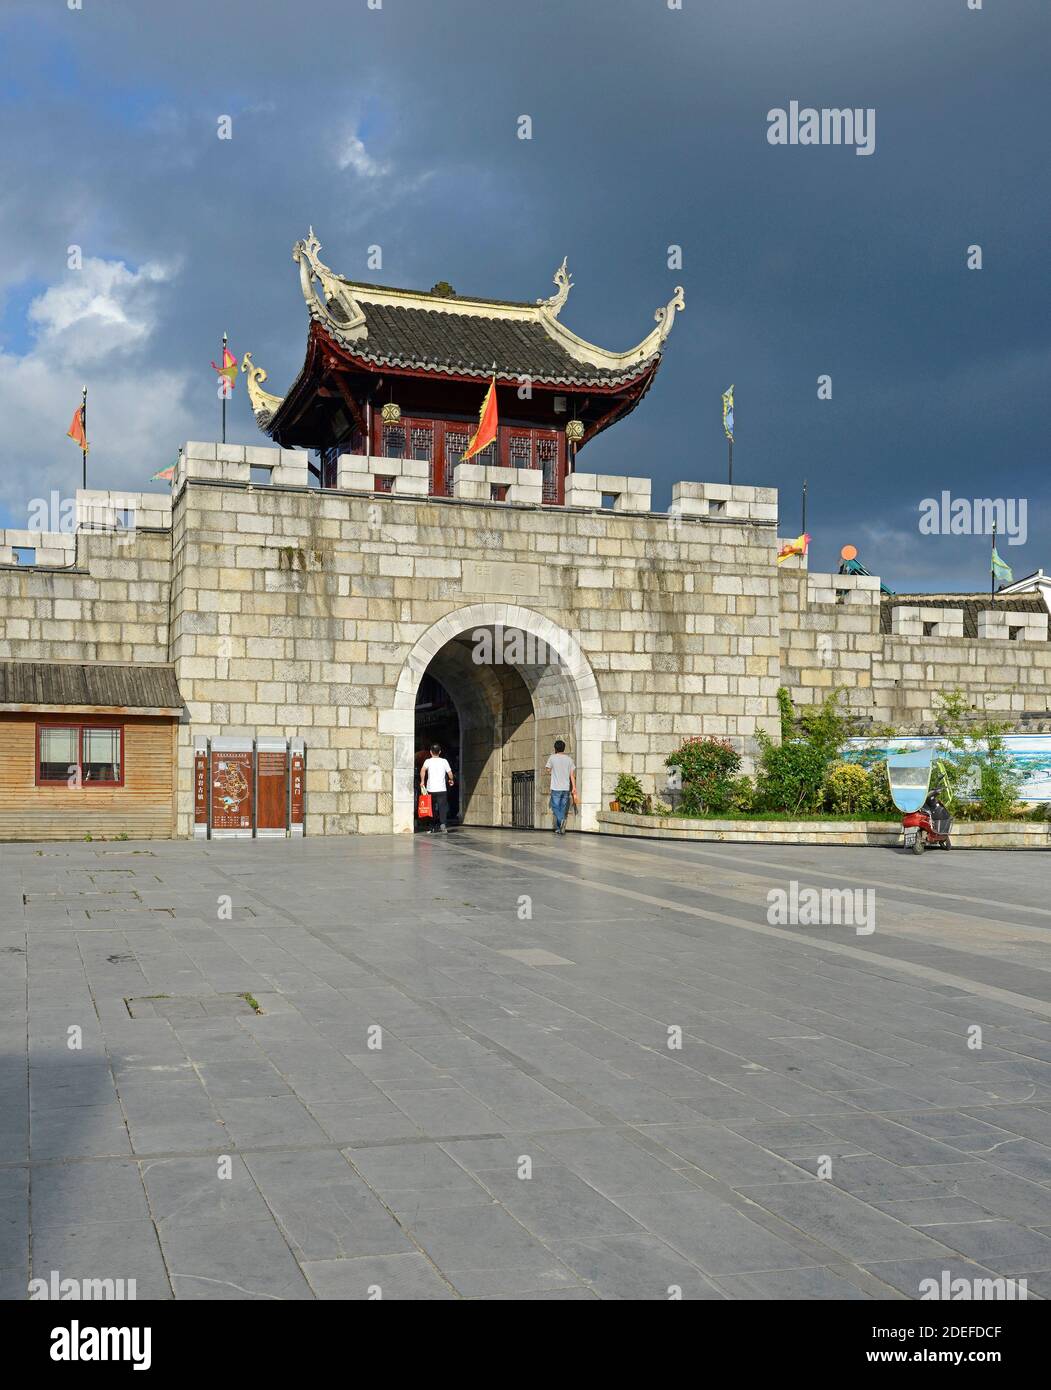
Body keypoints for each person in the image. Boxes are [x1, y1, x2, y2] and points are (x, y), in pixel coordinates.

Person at [544, 738, 577, 835]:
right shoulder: (569, 760)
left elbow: (548, 769)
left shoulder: (552, 758)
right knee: (562, 808)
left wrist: (553, 771)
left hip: (556, 788)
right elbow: (572, 775)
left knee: (555, 807)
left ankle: (561, 820)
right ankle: (559, 829)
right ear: (564, 748)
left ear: (555, 749)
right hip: (566, 788)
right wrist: (574, 788)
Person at [420, 744, 454, 834]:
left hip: (430, 789)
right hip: (442, 789)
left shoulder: (428, 761)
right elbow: (450, 773)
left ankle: (431, 827)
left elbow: (422, 770)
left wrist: (422, 781)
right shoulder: (444, 761)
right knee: (442, 808)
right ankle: (443, 825)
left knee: (431, 808)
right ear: (440, 752)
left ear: (430, 752)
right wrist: (451, 780)